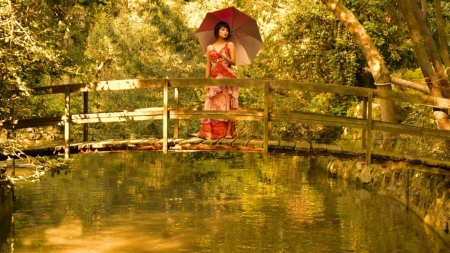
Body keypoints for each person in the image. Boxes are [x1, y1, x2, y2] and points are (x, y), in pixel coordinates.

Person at [189, 21, 239, 140]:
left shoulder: (230, 45)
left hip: (227, 77)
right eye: (223, 29)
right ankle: (208, 131)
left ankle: (227, 132)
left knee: (227, 103)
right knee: (211, 103)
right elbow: (208, 66)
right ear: (217, 30)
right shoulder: (209, 47)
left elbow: (234, 62)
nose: (225, 32)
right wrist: (206, 82)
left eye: (227, 30)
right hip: (214, 78)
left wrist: (227, 58)